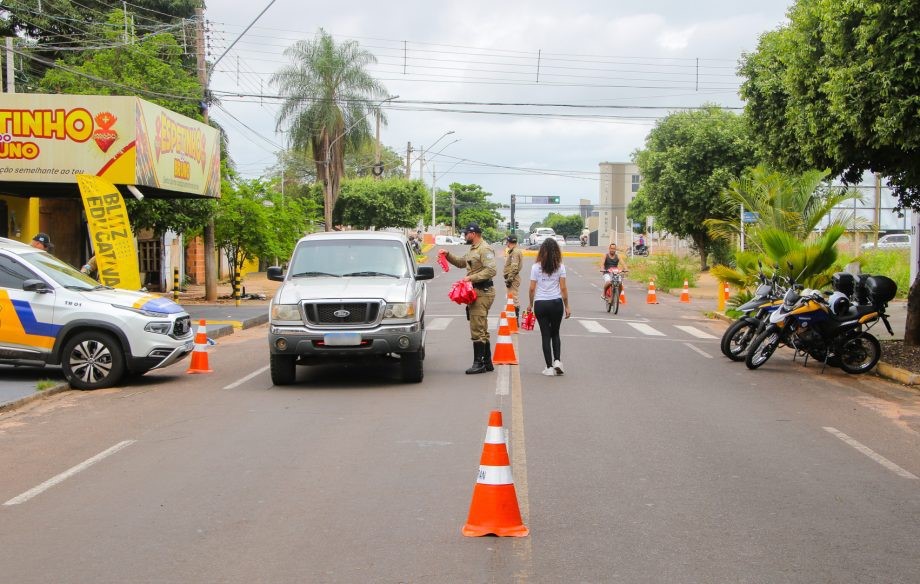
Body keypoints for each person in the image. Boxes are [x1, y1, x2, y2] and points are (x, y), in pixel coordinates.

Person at [440, 222, 497, 375]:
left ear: (474, 233)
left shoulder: (484, 249)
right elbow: (460, 262)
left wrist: (470, 278)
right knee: (482, 327)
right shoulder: (473, 249)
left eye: (466, 233)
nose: (465, 236)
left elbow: (491, 270)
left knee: (477, 328)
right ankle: (487, 362)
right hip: (477, 291)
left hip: (482, 291)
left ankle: (479, 363)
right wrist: (448, 255)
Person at [527, 238, 571, 376]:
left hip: (541, 303)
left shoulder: (535, 267)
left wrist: (530, 304)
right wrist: (567, 306)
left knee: (545, 335)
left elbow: (532, 289)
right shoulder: (560, 266)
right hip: (556, 303)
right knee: (555, 333)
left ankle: (549, 367)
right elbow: (563, 289)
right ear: (556, 251)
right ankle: (557, 360)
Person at [503, 234, 523, 318]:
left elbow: (514, 268)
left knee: (513, 298)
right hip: (512, 278)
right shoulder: (514, 251)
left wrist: (509, 279)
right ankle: (513, 318)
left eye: (507, 242)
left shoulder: (515, 252)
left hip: (513, 279)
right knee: (511, 297)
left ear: (509, 242)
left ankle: (515, 320)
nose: (506, 244)